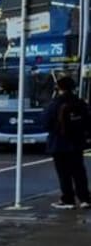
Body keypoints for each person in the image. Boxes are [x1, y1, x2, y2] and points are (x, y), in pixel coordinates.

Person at [44, 76, 90, 210]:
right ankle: (85, 199)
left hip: (59, 143)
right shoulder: (80, 103)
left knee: (64, 173)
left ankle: (68, 199)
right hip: (77, 142)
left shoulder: (55, 104)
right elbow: (88, 121)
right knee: (79, 172)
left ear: (58, 88)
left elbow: (45, 123)